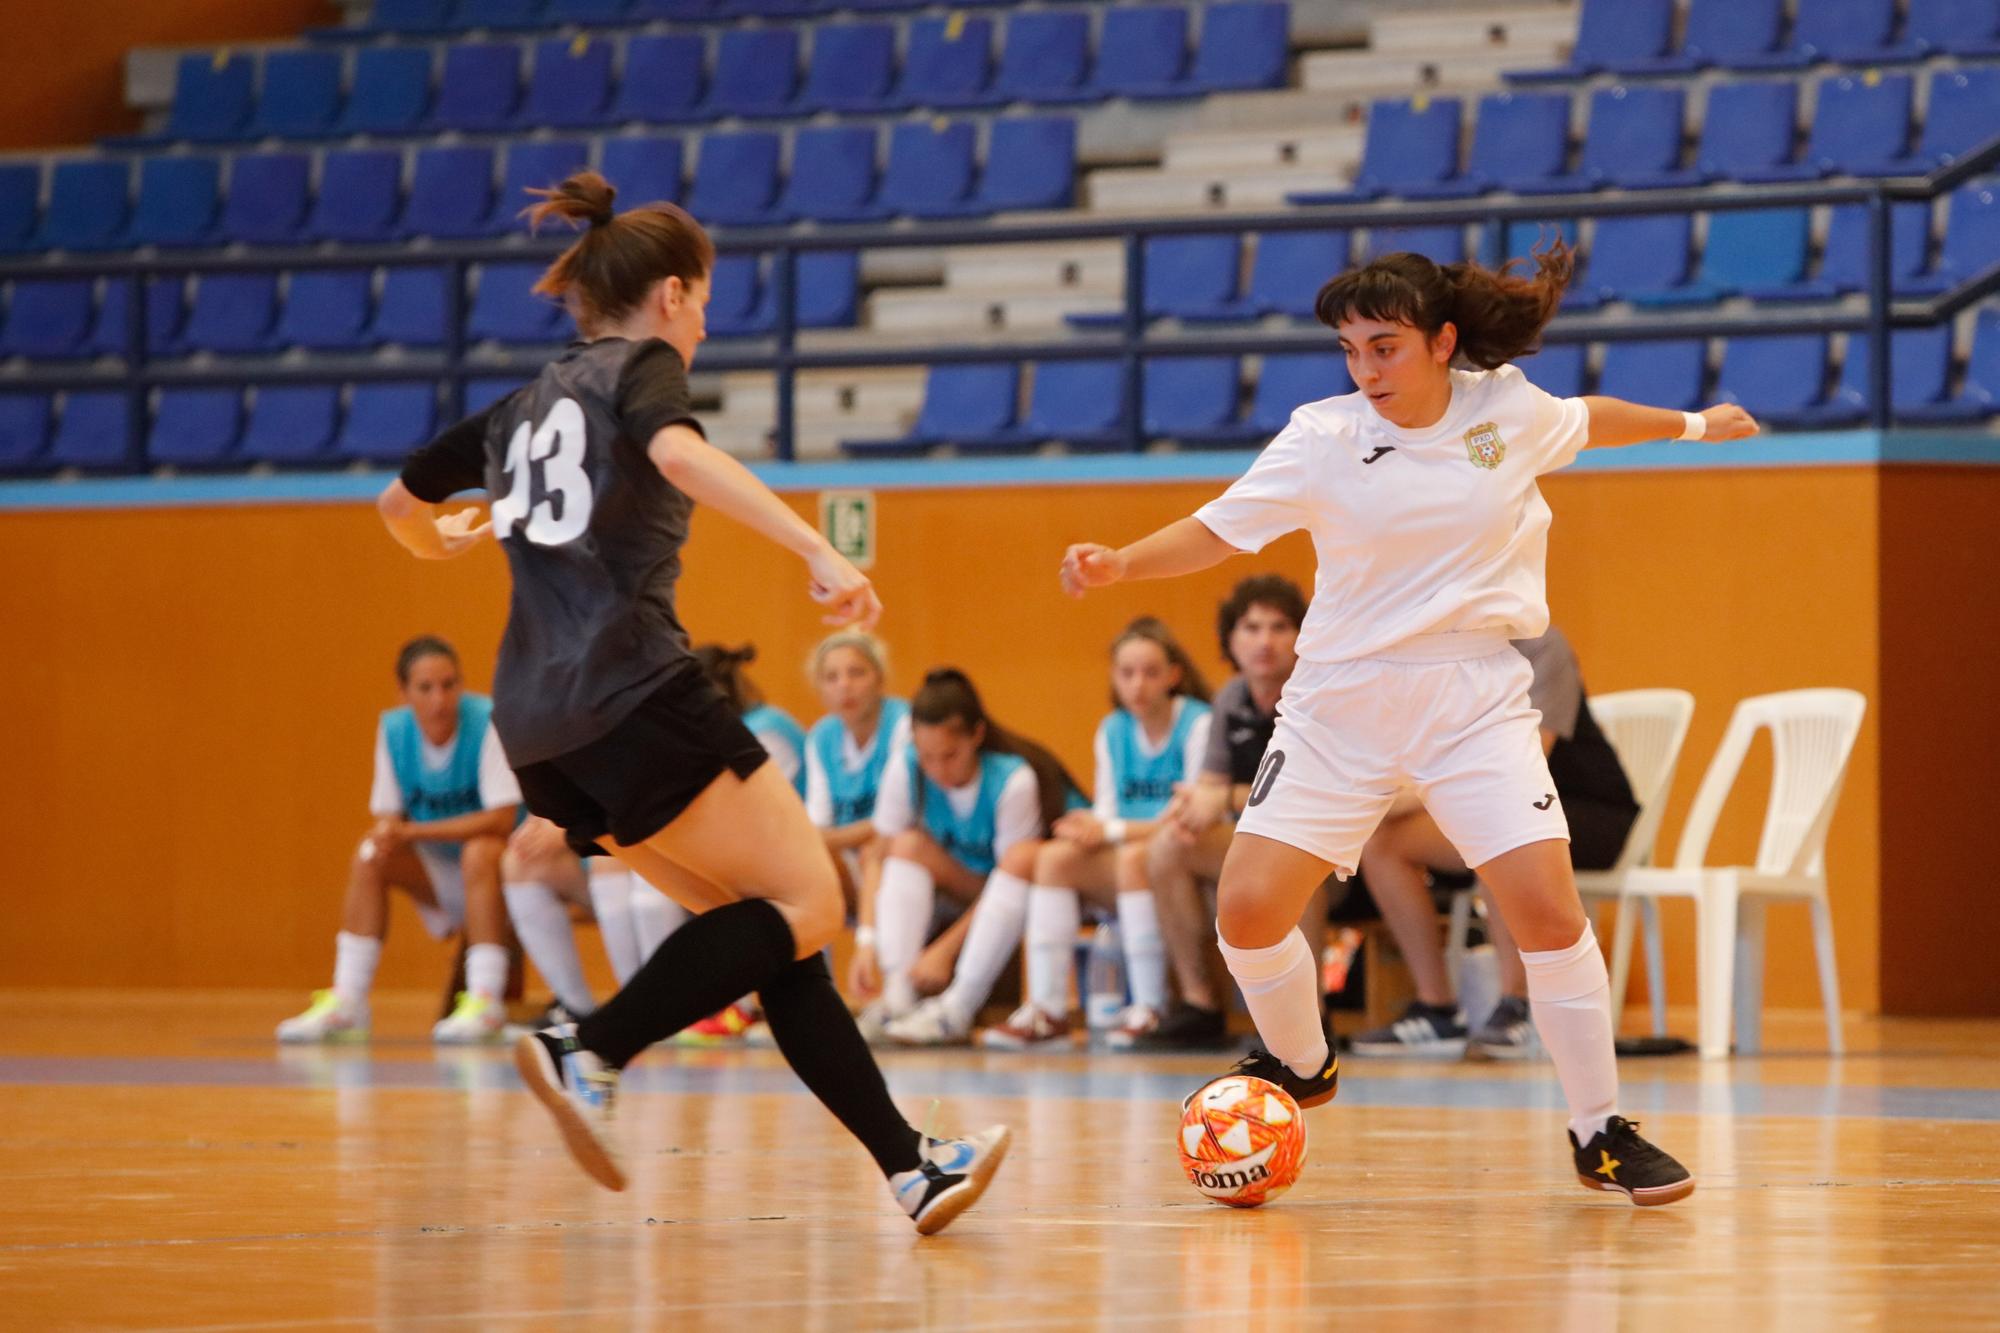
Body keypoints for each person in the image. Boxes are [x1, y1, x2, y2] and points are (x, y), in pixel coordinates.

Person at [375, 170, 1007, 1234]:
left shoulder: (519, 405)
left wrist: (439, 535)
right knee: (812, 904)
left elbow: (397, 504)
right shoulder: (644, 367)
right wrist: (815, 548)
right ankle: (590, 1046)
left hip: (536, 733)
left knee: (760, 928)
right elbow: (678, 451)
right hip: (636, 697)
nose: (704, 321)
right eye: (704, 299)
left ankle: (911, 1165)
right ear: (669, 293)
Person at [1059, 242, 1754, 1206]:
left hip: (1472, 695)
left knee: (1548, 912)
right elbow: (1223, 526)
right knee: (1248, 910)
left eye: (1385, 347)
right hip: (1339, 700)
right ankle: (1302, 1064)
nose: (1367, 369)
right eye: (1351, 351)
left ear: (1442, 342)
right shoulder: (1322, 436)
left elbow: (1589, 418)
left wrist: (1690, 424)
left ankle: (1600, 1130)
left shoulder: (1504, 409)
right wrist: (1120, 564)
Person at [1351, 625, 1639, 1060]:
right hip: (1484, 797)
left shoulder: (1544, 646)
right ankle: (1437, 1009)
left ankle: (1517, 1003)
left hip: (1584, 806)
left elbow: (1527, 758)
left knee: (1495, 829)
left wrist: (1403, 796)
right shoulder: (1438, 651)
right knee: (1384, 845)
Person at [276, 636, 524, 1045]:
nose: (439, 699)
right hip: (440, 871)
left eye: (449, 685)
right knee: (370, 854)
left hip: (499, 876)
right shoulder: (394, 730)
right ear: (404, 692)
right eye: (426, 688)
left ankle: (485, 1001)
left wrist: (411, 831)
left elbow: (500, 819)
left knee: (480, 851)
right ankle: (348, 1001)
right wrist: (390, 833)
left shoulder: (487, 721)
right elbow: (389, 815)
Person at [980, 617, 1212, 1051]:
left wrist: (1108, 829)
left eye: (1150, 672)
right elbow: (1107, 806)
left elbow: (1190, 817)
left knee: (1131, 860)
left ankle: (1151, 1006)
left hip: (1181, 855)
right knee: (1053, 858)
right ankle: (1047, 1011)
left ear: (1174, 675)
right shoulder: (1113, 728)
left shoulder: (1199, 723)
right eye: (1127, 673)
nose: (1138, 684)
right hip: (1131, 847)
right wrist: (1088, 828)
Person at [860, 669, 1082, 1047]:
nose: (938, 770)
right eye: (927, 757)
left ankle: (958, 1007)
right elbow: (876, 853)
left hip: (1018, 887)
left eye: (949, 755)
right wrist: (867, 941)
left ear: (977, 736)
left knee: (1022, 858)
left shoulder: (1013, 780)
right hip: (965, 885)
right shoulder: (906, 766)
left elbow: (1014, 871)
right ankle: (898, 996)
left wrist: (943, 952)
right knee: (904, 848)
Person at [1139, 576, 1311, 1052]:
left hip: (1330, 853)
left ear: (1303, 636)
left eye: (1280, 627)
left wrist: (1228, 798)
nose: (1265, 641)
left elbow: (1312, 797)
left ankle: (1308, 1019)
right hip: (1258, 844)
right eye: (1251, 627)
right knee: (1169, 848)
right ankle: (1199, 1004)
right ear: (1230, 640)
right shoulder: (1231, 699)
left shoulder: (1318, 694)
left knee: (1295, 858)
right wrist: (1192, 804)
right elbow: (1210, 787)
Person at [673, 642, 811, 1045]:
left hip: (792, 850)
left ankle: (742, 1004)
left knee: (726, 878)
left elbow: (763, 812)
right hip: (761, 846)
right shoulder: (716, 733)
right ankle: (682, 1004)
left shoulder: (767, 727)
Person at [804, 630, 909, 927]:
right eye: (831, 677)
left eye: (856, 673)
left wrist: (831, 840)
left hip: (902, 852)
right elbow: (818, 826)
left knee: (883, 851)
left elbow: (899, 821)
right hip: (852, 860)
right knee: (805, 870)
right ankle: (815, 970)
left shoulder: (904, 724)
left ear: (880, 677)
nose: (845, 686)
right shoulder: (820, 737)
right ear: (820, 688)